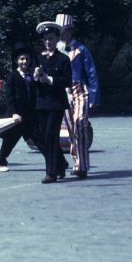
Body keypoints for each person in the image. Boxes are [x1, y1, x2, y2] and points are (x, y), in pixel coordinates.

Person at [55, 13, 100, 178]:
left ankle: (83, 165)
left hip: (80, 89)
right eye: (59, 31)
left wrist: (94, 97)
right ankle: (78, 164)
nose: (62, 34)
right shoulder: (55, 51)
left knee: (80, 123)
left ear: (70, 31)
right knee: (71, 129)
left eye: (64, 30)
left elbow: (92, 73)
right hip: (63, 91)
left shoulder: (81, 49)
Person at [0, 43, 45, 172]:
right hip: (17, 115)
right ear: (16, 61)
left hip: (29, 115)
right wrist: (14, 113)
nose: (25, 62)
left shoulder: (31, 76)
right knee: (10, 141)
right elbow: (9, 96)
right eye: (22, 59)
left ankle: (55, 162)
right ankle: (1, 161)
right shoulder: (13, 76)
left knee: (39, 140)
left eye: (27, 59)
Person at [34, 21, 71, 184]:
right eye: (45, 39)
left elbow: (67, 81)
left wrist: (49, 79)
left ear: (57, 39)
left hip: (56, 103)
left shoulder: (63, 59)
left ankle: (51, 172)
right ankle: (61, 163)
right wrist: (35, 77)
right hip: (41, 102)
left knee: (51, 135)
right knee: (44, 136)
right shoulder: (39, 58)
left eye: (51, 38)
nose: (48, 42)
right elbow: (32, 81)